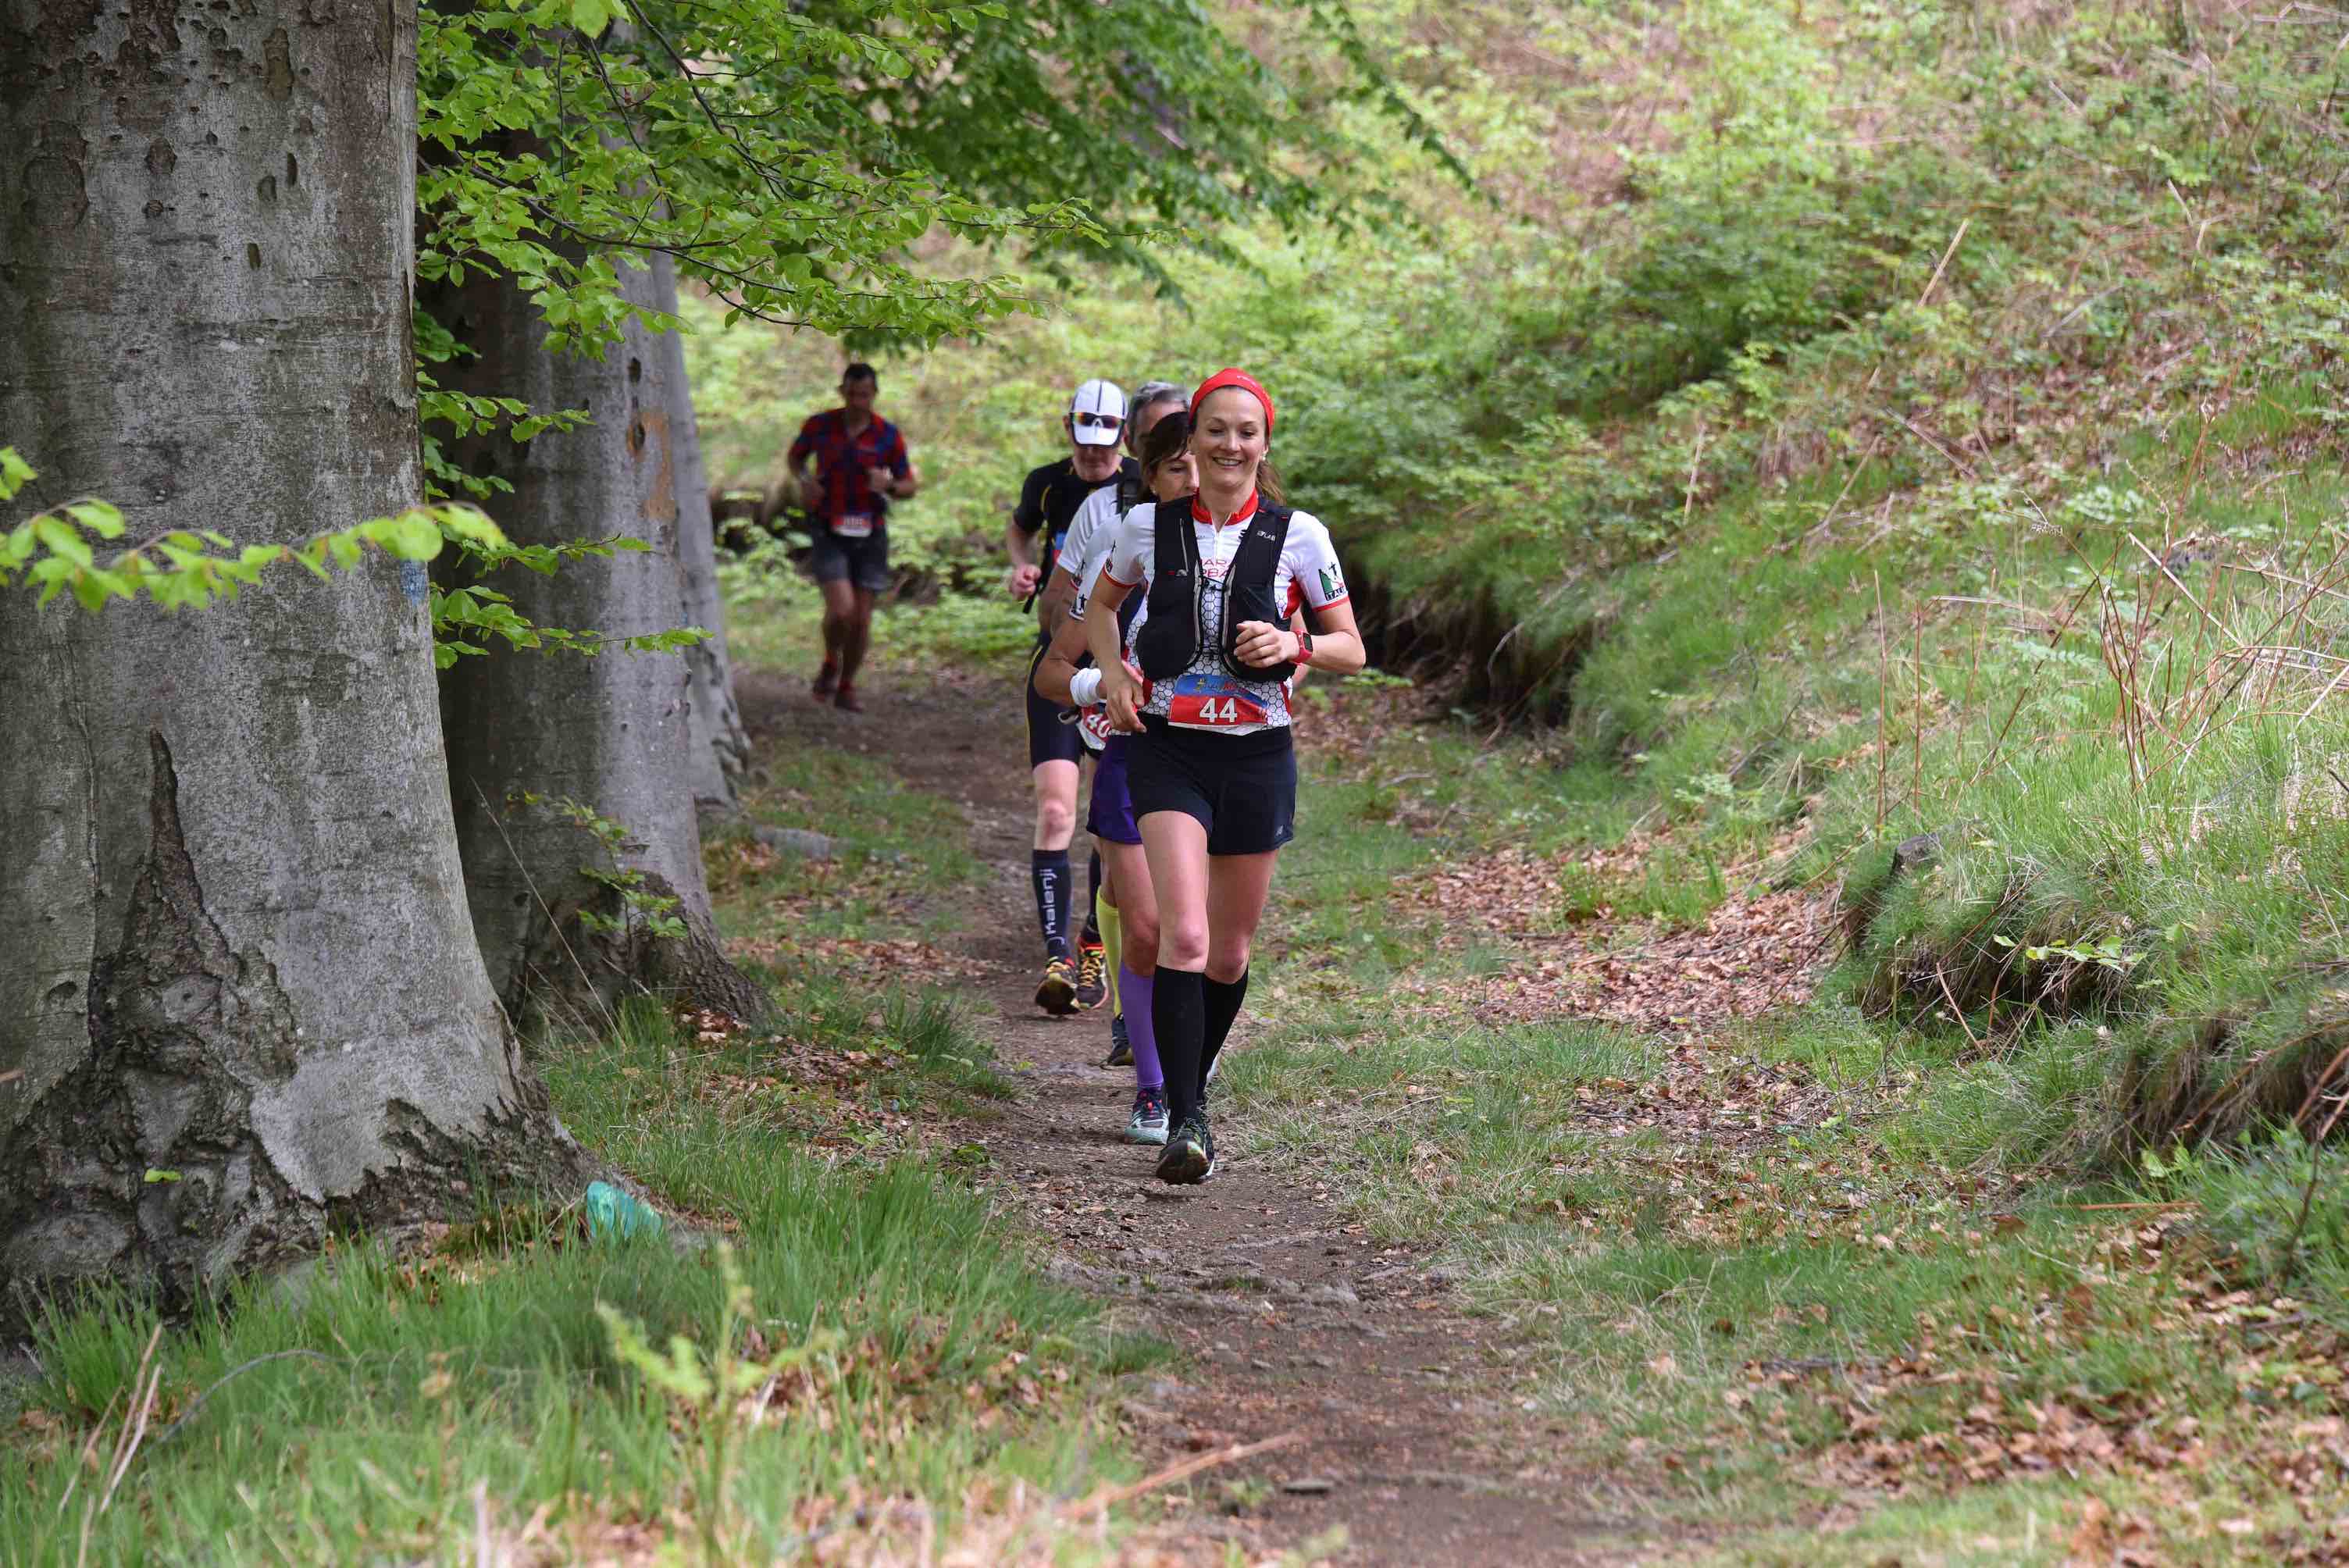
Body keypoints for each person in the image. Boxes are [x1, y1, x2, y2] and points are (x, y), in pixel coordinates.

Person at [1082, 369, 1365, 1184]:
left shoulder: (1299, 535)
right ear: (1193, 438)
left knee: (1230, 954)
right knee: (1186, 936)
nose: (1229, 445)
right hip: (1169, 749)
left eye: (1246, 432)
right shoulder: (1147, 525)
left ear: (1264, 444)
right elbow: (1100, 610)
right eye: (1215, 429)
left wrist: (1295, 645)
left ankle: (1189, 1084)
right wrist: (1116, 674)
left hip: (1255, 755)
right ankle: (1185, 1119)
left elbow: (1351, 646)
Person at [1035, 398, 1195, 1144]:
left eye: (1204, 464)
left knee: (1204, 940)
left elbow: (1303, 644)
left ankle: (1186, 1064)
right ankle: (1153, 1090)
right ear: (1150, 477)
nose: (1195, 480)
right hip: (1131, 759)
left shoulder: (1256, 553)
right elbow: (1052, 669)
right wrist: (1101, 684)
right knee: (1148, 926)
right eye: (1178, 467)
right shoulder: (1122, 553)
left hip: (1219, 761)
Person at [1007, 380, 1139, 1015]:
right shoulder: (1048, 484)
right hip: (1063, 655)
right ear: (1069, 431)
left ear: (1124, 438)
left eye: (1105, 447)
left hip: (1122, 664)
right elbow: (1021, 533)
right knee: (1058, 811)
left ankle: (1093, 940)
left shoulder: (1143, 488)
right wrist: (1024, 572)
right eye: (1084, 445)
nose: (1093, 456)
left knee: (1108, 823)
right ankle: (1056, 955)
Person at [790, 363, 916, 713]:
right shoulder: (820, 426)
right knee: (841, 610)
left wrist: (889, 486)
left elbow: (909, 485)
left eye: (865, 395)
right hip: (828, 527)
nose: (858, 401)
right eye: (852, 394)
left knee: (861, 619)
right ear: (842, 392)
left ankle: (846, 685)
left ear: (874, 394)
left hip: (870, 531)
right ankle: (831, 659)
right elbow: (795, 458)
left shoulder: (887, 435)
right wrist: (805, 481)